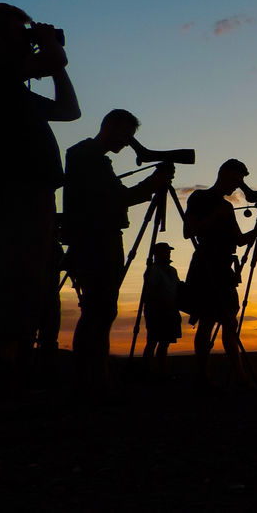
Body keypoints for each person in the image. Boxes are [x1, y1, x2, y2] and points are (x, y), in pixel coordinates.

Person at [0, 2, 80, 392]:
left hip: (36, 193)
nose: (26, 40)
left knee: (33, 283)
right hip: (15, 192)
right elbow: (51, 58)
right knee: (11, 279)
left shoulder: (11, 87)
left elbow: (69, 110)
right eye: (19, 32)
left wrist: (53, 60)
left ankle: (17, 370)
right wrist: (47, 46)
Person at [63, 109, 173, 388]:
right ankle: (90, 379)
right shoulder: (85, 155)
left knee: (101, 310)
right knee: (98, 311)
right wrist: (153, 183)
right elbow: (115, 198)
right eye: (126, 135)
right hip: (95, 241)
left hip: (98, 239)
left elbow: (113, 197)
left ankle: (94, 376)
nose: (127, 142)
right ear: (109, 125)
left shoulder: (93, 158)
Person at [184, 159, 257, 388]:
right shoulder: (199, 198)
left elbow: (239, 241)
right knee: (207, 321)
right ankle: (202, 376)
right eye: (234, 180)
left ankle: (240, 376)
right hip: (205, 265)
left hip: (223, 268)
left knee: (230, 323)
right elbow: (188, 231)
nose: (236, 185)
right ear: (223, 175)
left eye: (239, 181)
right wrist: (215, 215)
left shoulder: (228, 206)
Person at [142, 241, 183, 378]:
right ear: (156, 254)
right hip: (156, 311)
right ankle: (146, 370)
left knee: (165, 343)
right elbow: (151, 291)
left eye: (168, 251)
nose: (168, 253)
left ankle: (162, 371)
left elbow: (178, 287)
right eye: (165, 251)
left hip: (170, 311)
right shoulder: (152, 270)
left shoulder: (172, 270)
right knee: (153, 341)